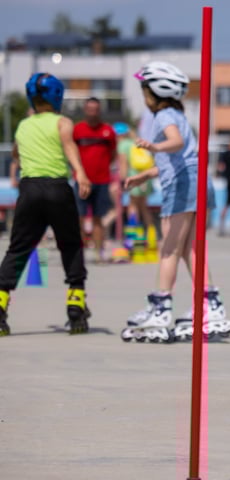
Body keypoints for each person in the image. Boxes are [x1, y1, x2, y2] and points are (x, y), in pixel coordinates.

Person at [121, 61, 230, 343]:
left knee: (169, 250)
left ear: (154, 92)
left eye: (145, 91)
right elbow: (181, 155)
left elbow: (173, 144)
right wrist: (145, 175)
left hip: (183, 184)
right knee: (190, 250)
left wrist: (154, 146)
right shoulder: (177, 114)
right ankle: (211, 303)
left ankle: (161, 308)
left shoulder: (164, 117)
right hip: (196, 180)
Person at [0, 73, 92, 336]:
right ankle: (76, 306)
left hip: (29, 190)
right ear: (57, 97)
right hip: (56, 189)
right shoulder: (63, 122)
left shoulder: (23, 125)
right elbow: (69, 146)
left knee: (18, 248)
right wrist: (81, 174)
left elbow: (17, 152)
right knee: (70, 244)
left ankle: (0, 304)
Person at [73, 97, 116, 263]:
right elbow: (71, 153)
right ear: (85, 110)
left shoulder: (108, 131)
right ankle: (79, 254)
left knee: (99, 218)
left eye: (95, 109)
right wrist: (79, 172)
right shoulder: (77, 130)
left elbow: (113, 154)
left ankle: (99, 253)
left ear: (99, 110)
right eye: (89, 109)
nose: (92, 112)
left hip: (102, 180)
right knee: (80, 217)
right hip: (82, 180)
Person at [115, 122, 156, 234]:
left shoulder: (123, 145)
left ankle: (134, 235)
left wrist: (123, 181)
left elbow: (123, 165)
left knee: (132, 206)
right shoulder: (135, 142)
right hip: (145, 177)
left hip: (133, 178)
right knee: (143, 206)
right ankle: (151, 234)